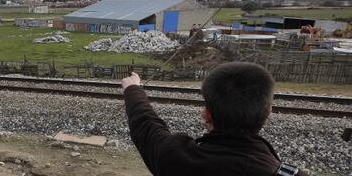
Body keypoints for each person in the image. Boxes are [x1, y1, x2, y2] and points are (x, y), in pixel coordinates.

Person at [121, 62, 308, 176]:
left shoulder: (178, 159)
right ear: (268, 111)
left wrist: (133, 89)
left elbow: (146, 125)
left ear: (207, 114)